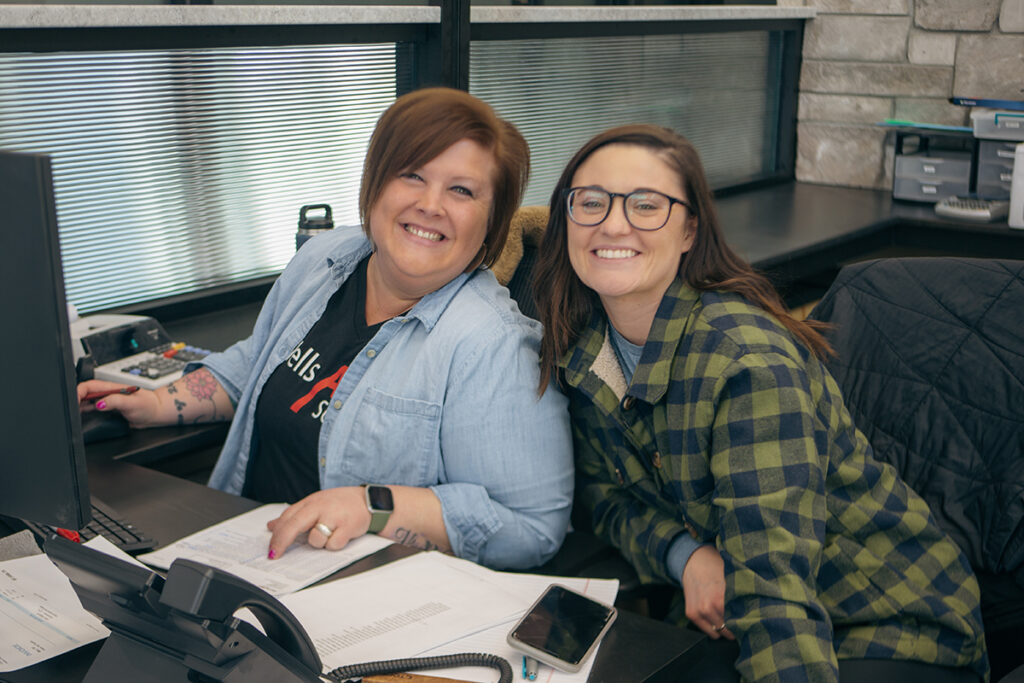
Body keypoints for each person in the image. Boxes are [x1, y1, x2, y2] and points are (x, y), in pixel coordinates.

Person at [532, 124, 988, 682]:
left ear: (689, 231)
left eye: (647, 205)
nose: (613, 223)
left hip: (889, 621)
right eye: (592, 202)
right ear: (566, 218)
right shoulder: (585, 347)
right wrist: (685, 555)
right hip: (730, 610)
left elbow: (775, 590)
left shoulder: (745, 362)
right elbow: (606, 498)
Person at [78, 87, 573, 570]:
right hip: (239, 552)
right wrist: (161, 402)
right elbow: (262, 359)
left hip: (355, 593)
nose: (431, 204)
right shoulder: (324, 259)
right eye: (412, 176)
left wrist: (372, 506)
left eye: (461, 190)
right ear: (375, 182)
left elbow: (531, 529)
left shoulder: (492, 345)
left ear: (492, 221)